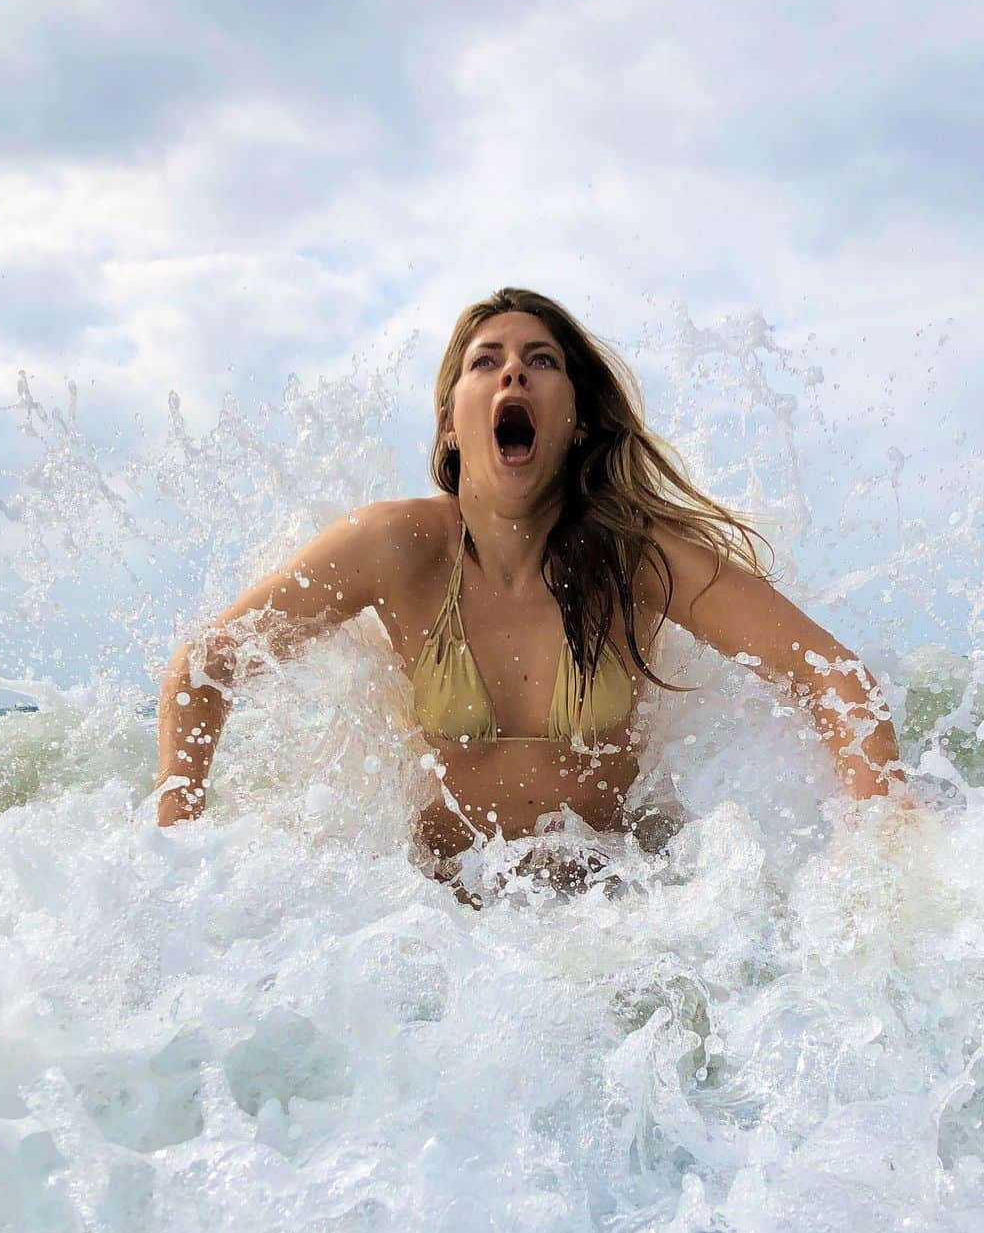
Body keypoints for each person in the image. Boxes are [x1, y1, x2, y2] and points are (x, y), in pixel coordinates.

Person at [156, 288, 909, 905]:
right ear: (451, 424)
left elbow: (830, 675)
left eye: (540, 361)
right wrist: (176, 842)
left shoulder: (636, 558)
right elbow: (203, 668)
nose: (513, 375)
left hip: (615, 911)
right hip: (432, 916)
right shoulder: (394, 548)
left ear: (576, 423)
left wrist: (885, 832)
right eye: (487, 362)